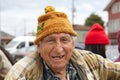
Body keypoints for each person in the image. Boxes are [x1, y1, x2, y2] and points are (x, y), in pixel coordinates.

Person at [5, 6, 120, 80]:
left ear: (73, 44)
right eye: (51, 41)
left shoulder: (90, 61)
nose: (59, 49)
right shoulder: (21, 75)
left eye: (64, 40)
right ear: (39, 47)